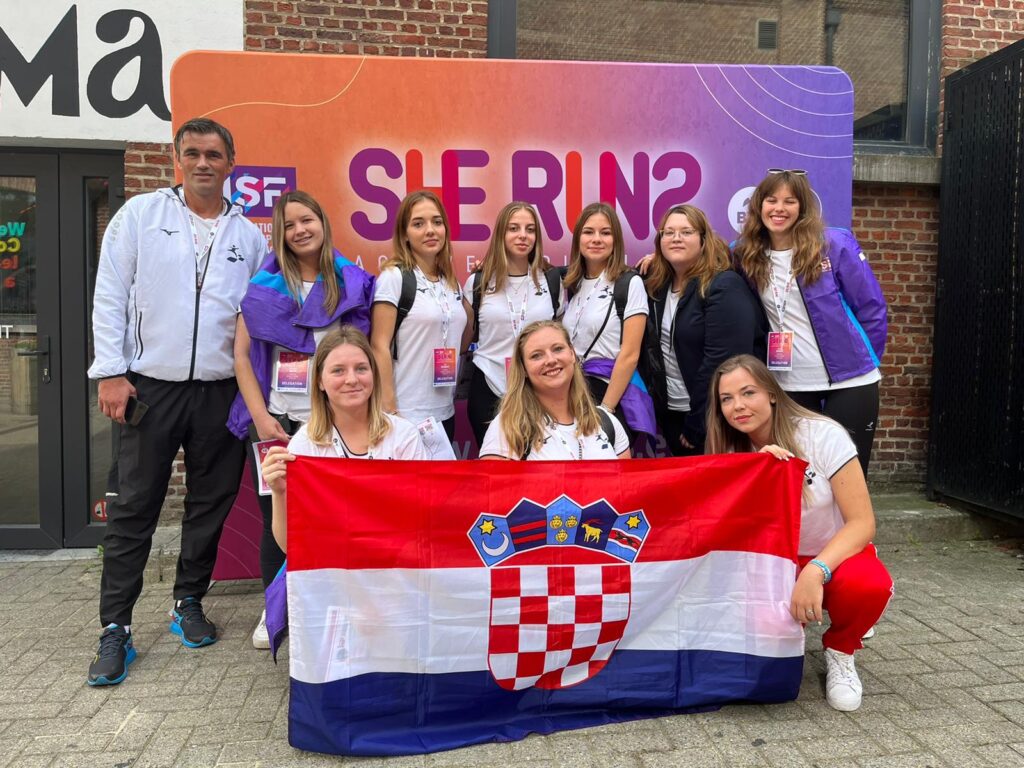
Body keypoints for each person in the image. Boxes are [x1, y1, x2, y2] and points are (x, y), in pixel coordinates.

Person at [86, 118, 268, 686]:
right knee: (134, 507)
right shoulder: (140, 216)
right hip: (151, 386)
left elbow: (259, 317)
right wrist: (110, 371)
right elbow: (110, 293)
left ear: (231, 162)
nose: (203, 163)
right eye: (192, 153)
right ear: (178, 159)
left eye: (214, 154)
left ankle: (188, 600)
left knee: (210, 503)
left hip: (221, 391)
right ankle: (115, 627)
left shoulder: (250, 236)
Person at [225, 190, 374, 649]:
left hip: (332, 424)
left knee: (338, 518)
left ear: (323, 223)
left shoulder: (352, 283)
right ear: (279, 234)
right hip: (276, 421)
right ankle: (275, 608)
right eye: (288, 225)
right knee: (277, 518)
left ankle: (337, 605)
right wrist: (260, 416)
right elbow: (242, 356)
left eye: (307, 220)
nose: (299, 230)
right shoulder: (263, 286)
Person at [707, 354, 893, 711]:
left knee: (868, 586)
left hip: (830, 555)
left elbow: (862, 523)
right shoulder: (729, 447)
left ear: (772, 393)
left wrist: (815, 570)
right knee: (762, 654)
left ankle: (841, 649)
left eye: (748, 392)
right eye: (726, 399)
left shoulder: (821, 434)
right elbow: (728, 531)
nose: (738, 406)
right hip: (772, 561)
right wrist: (759, 476)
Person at [732, 169, 887, 474]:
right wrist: (657, 261)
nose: (779, 208)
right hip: (788, 385)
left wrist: (862, 362)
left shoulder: (833, 244)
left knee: (848, 477)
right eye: (771, 200)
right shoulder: (744, 254)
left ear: (802, 208)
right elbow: (704, 261)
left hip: (850, 383)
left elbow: (872, 308)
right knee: (800, 478)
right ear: (759, 205)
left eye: (789, 201)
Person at [261, 327, 427, 552]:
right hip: (333, 565)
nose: (352, 379)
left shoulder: (403, 435)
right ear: (320, 381)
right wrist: (279, 493)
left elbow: (421, 520)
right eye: (338, 370)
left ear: (373, 374)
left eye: (361, 368)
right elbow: (289, 547)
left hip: (395, 560)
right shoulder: (304, 445)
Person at [643, 204, 766, 455]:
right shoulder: (656, 286)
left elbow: (722, 363)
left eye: (686, 232)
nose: (676, 238)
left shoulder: (723, 285)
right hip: (673, 415)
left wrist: (697, 423)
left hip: (714, 420)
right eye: (669, 232)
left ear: (703, 239)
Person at [369, 190, 468, 441]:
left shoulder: (451, 283)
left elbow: (462, 338)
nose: (430, 230)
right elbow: (379, 345)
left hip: (444, 412)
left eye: (437, 222)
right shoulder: (394, 278)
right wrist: (390, 410)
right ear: (404, 234)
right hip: (406, 413)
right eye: (418, 224)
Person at [463, 202, 562, 446]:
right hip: (488, 384)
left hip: (537, 387)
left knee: (536, 459)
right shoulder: (478, 281)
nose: (523, 235)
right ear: (501, 234)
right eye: (514, 228)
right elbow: (465, 338)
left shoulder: (551, 280)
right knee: (494, 462)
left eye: (530, 229)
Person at [562, 202, 653, 444]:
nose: (596, 239)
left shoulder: (629, 283)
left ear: (616, 241)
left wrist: (606, 409)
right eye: (588, 232)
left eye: (605, 233)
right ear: (578, 239)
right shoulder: (572, 283)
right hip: (573, 392)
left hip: (611, 393)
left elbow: (630, 354)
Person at [479, 320, 631, 460]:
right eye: (536, 356)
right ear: (523, 369)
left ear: (572, 354)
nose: (551, 360)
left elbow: (625, 481)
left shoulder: (607, 422)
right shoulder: (508, 427)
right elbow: (495, 481)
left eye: (558, 349)